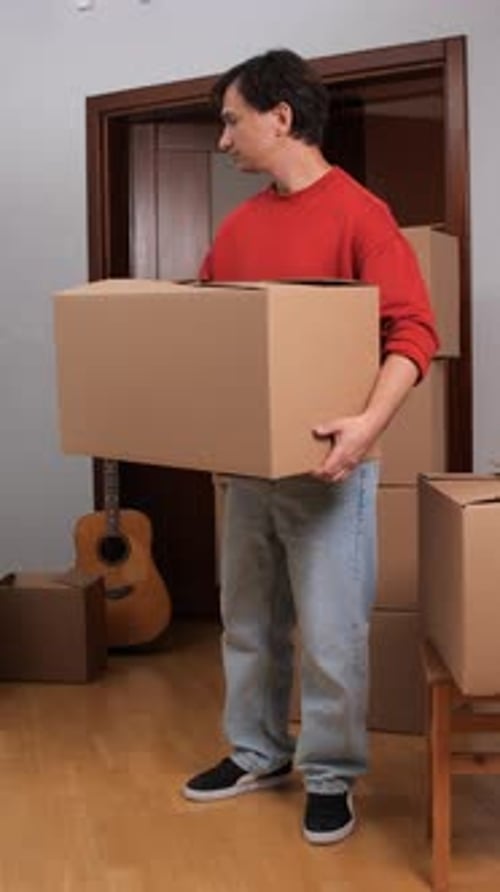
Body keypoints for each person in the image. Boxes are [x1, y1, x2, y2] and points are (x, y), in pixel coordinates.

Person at [182, 48, 438, 845]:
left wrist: (366, 428)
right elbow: (210, 336)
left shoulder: (362, 215)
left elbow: (415, 332)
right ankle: (259, 751)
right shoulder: (239, 227)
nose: (222, 141)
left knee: (331, 636)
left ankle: (331, 777)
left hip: (332, 471)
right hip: (251, 474)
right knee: (247, 622)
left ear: (280, 118)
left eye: (231, 120)